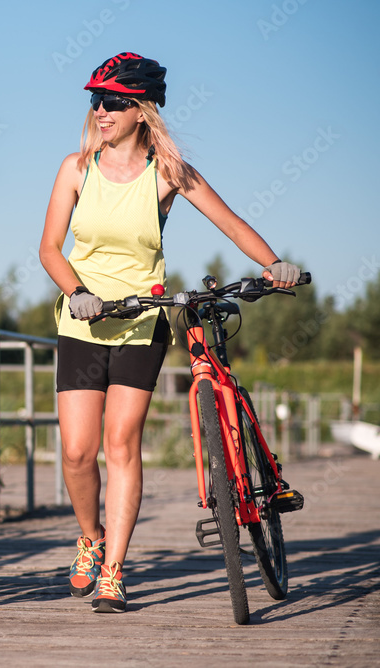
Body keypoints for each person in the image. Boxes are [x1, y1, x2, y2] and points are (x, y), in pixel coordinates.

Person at [37, 52, 301, 613]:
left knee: (120, 444)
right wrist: (77, 292)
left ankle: (113, 571)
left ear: (141, 110)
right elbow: (49, 249)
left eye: (113, 102)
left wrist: (274, 263)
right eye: (95, 101)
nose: (100, 112)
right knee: (79, 452)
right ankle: (90, 536)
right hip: (82, 323)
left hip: (141, 323)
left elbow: (229, 222)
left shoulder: (167, 171)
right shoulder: (75, 168)